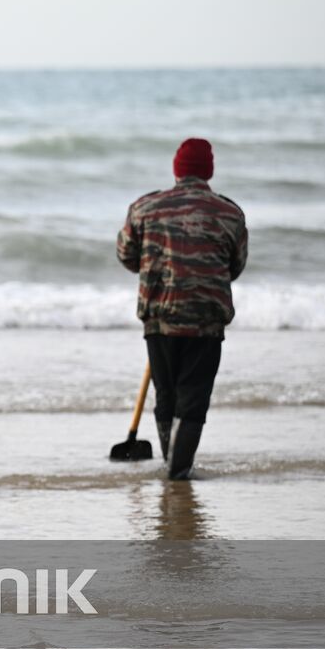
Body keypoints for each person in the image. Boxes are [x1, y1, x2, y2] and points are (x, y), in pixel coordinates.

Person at [117, 138, 248, 480]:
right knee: (193, 402)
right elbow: (236, 265)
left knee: (166, 396)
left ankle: (172, 468)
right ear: (209, 171)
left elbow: (126, 255)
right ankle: (178, 470)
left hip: (160, 318)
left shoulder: (144, 208)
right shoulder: (230, 213)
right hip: (206, 321)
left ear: (176, 170)